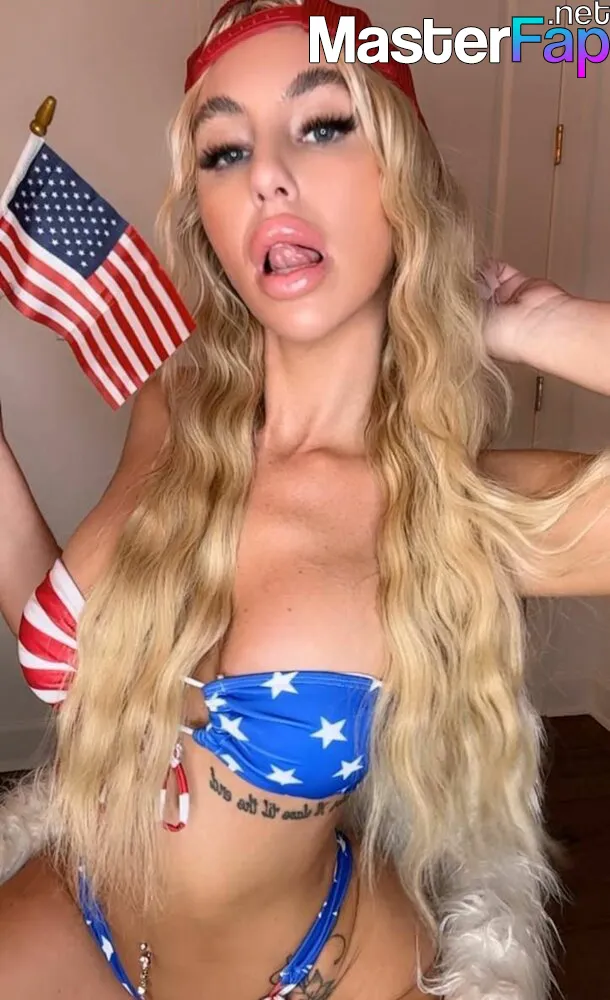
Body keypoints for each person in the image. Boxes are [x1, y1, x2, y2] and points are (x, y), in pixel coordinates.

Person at [1, 1, 610, 997]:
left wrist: (546, 325)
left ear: (405, 181)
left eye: (323, 126)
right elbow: (56, 627)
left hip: (312, 968)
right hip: (80, 917)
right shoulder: (175, 404)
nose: (267, 174)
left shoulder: (458, 509)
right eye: (224, 150)